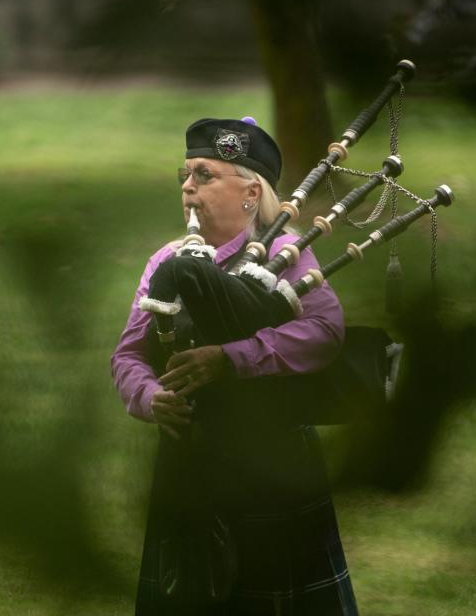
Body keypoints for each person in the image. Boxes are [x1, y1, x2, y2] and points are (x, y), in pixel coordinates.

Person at [111, 117, 360, 615]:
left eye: (204, 174)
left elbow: (325, 332)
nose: (187, 185)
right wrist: (149, 397)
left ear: (250, 193)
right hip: (188, 459)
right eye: (184, 174)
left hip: (271, 459)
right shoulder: (167, 259)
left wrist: (230, 359)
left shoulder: (287, 256)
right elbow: (129, 354)